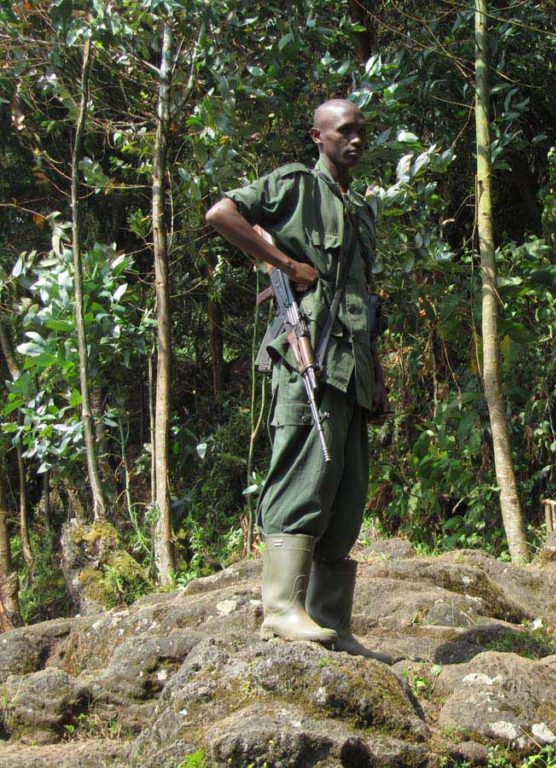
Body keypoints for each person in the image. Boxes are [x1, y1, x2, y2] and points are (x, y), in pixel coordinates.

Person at [205, 99, 391, 662]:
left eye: (362, 131)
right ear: (318, 136)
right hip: (306, 357)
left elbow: (364, 298)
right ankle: (281, 611)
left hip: (352, 366)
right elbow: (221, 214)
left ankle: (331, 621)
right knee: (302, 477)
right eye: (345, 131)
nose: (356, 139)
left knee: (348, 491)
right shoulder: (292, 187)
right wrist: (286, 266)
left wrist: (377, 374)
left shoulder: (360, 208)